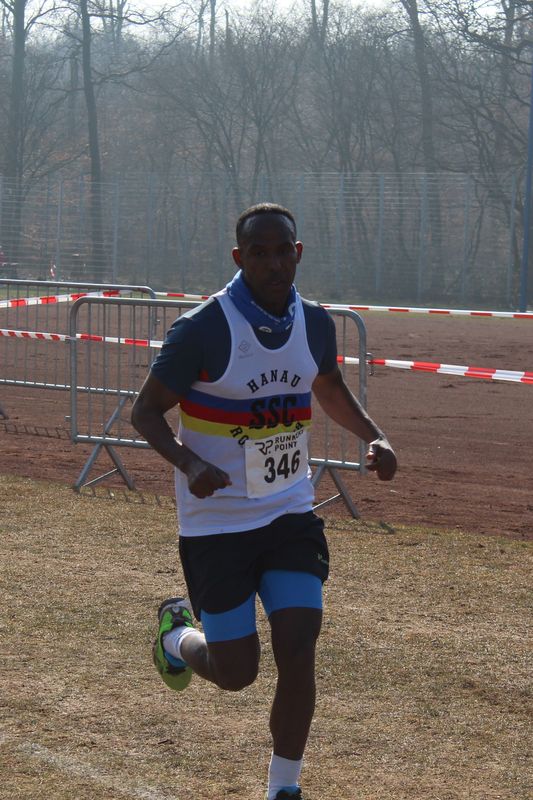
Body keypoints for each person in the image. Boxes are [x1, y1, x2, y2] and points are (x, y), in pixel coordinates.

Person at [131, 203, 397, 800]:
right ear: (239, 257)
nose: (274, 264)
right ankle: (176, 636)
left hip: (288, 513)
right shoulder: (203, 329)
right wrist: (190, 463)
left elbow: (328, 385)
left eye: (283, 252)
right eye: (260, 253)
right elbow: (145, 413)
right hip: (217, 525)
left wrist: (375, 437)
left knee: (298, 646)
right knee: (236, 672)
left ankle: (284, 787)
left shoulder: (315, 323)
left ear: (298, 253)